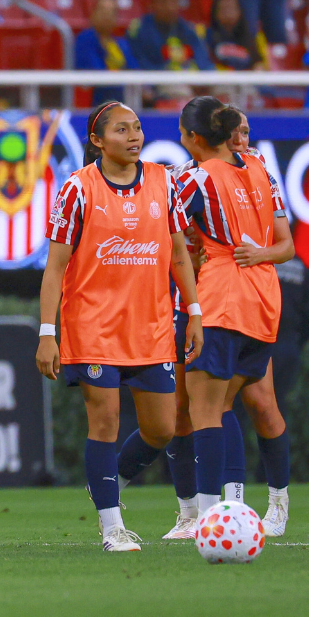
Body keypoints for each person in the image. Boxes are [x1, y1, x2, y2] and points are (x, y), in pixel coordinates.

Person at [38, 100, 202, 552]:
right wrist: (46, 333)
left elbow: (179, 253)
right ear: (97, 140)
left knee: (162, 429)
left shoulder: (163, 182)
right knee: (104, 420)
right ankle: (112, 527)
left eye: (138, 128)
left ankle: (108, 482)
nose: (134, 136)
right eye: (122, 130)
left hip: (150, 327)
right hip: (92, 327)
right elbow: (55, 269)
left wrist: (195, 312)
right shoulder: (77, 189)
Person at [163, 107, 296, 538]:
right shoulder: (256, 169)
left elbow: (162, 229)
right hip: (260, 301)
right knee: (235, 405)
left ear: (194, 135)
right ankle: (239, 507)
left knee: (206, 410)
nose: (244, 138)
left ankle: (209, 516)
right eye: (238, 130)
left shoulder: (200, 176)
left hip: (221, 298)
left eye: (247, 131)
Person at [129, 0, 212, 72]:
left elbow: (204, 63)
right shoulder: (139, 31)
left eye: (174, 1)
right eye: (163, 1)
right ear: (152, 4)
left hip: (192, 79)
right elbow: (142, 64)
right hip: (159, 80)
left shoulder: (190, 30)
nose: (169, 7)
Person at [74, 0, 138, 105]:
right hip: (97, 103)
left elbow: (135, 69)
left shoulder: (121, 43)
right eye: (102, 10)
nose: (106, 16)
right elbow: (98, 73)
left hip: (123, 101)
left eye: (112, 12)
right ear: (93, 14)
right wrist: (123, 77)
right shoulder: (85, 39)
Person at [206, 0, 263, 71]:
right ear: (215, 12)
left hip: (246, 79)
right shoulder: (208, 35)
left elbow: (258, 62)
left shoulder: (251, 36)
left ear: (239, 11)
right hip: (220, 79)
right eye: (223, 9)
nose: (228, 13)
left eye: (231, 8)